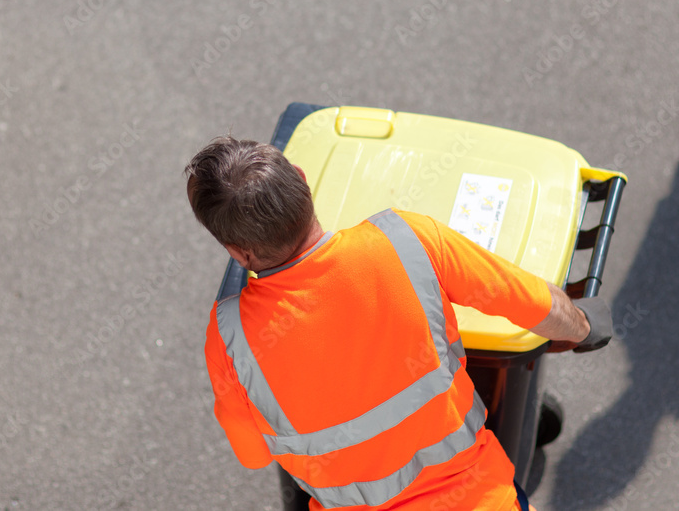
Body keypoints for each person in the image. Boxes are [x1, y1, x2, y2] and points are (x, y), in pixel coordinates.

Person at [184, 136, 612, 511]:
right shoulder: (406, 240)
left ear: (238, 253)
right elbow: (534, 304)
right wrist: (584, 327)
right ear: (303, 180)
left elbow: (254, 455)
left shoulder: (230, 337)